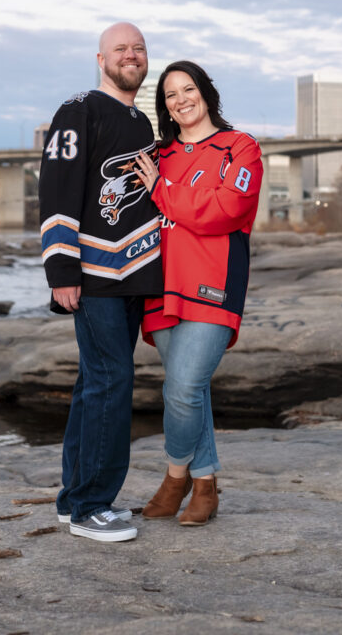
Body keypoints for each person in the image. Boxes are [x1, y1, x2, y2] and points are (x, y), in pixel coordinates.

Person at [38, 22, 162, 543]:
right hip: (94, 277)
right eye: (120, 49)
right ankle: (93, 506)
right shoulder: (78, 109)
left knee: (94, 386)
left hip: (133, 275)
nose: (130, 55)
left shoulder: (142, 122)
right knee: (111, 382)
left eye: (138, 49)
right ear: (100, 59)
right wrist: (61, 270)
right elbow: (57, 188)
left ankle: (73, 500)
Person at [133, 60, 263, 526]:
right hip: (161, 288)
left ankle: (174, 476)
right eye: (170, 94)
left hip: (214, 285)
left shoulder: (240, 147)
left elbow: (225, 210)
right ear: (163, 106)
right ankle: (205, 485)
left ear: (205, 92)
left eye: (188, 89)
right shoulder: (158, 155)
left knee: (183, 387)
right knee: (190, 391)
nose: (180, 100)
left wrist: (163, 192)